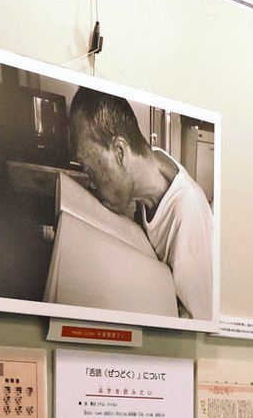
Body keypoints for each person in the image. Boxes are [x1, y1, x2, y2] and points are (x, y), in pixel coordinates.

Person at [69, 88, 214, 320]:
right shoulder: (151, 162)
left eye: (90, 169)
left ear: (119, 152)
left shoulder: (188, 217)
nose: (92, 184)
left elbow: (200, 323)